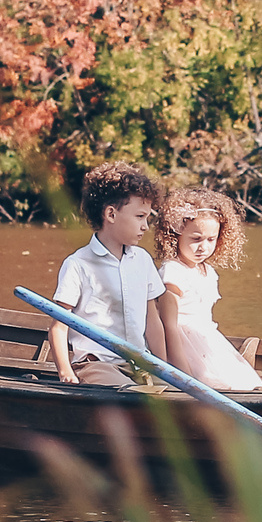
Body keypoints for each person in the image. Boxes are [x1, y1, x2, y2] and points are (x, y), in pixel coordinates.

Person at [48, 161, 167, 387]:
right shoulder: (78, 264)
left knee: (176, 397)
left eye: (147, 218)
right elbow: (58, 327)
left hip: (138, 365)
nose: (145, 226)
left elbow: (152, 321)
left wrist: (163, 368)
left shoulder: (142, 260)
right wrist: (66, 373)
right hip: (97, 365)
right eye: (140, 216)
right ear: (111, 214)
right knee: (129, 395)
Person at [151, 188, 262, 391]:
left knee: (247, 384)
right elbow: (169, 325)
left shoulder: (208, 271)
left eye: (211, 239)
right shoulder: (174, 271)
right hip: (182, 343)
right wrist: (183, 375)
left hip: (207, 338)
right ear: (175, 236)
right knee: (216, 384)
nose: (203, 247)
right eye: (196, 239)